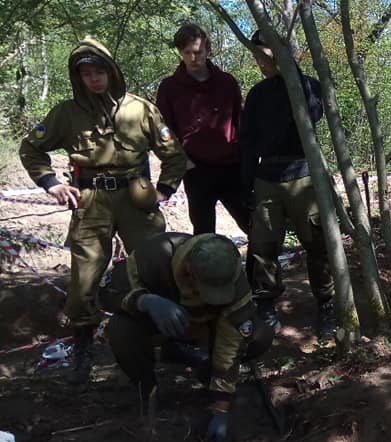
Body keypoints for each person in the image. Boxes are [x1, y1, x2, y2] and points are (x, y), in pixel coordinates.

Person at [19, 37, 188, 385]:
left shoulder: (140, 109)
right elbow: (31, 148)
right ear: (77, 78)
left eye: (100, 72)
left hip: (136, 198)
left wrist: (164, 190)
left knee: (156, 266)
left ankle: (170, 341)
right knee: (85, 277)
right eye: (86, 74)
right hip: (90, 199)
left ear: (111, 72)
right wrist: (51, 183)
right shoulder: (65, 113)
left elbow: (174, 155)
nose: (94, 79)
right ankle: (83, 348)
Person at [98, 233, 273, 442]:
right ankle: (147, 386)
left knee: (259, 335)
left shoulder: (234, 276)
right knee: (120, 329)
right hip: (159, 324)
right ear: (189, 271)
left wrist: (222, 407)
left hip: (205, 328)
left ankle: (207, 372)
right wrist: (146, 301)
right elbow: (107, 293)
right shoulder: (153, 256)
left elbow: (231, 341)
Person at [240, 30, 334, 331]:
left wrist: (291, 75)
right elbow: (247, 142)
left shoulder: (308, 86)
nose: (259, 63)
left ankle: (326, 303)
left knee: (317, 245)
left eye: (263, 56)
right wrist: (246, 185)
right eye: (256, 56)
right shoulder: (257, 94)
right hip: (267, 177)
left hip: (303, 176)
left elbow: (316, 112)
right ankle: (266, 305)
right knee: (263, 247)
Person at [156, 23, 253, 240]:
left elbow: (241, 124)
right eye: (187, 52)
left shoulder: (226, 83)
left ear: (208, 50)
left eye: (198, 52)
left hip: (231, 168)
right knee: (203, 235)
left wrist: (246, 162)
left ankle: (255, 274)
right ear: (180, 52)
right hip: (196, 170)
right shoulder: (169, 88)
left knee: (254, 227)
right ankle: (206, 274)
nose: (193, 58)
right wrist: (183, 161)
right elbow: (163, 131)